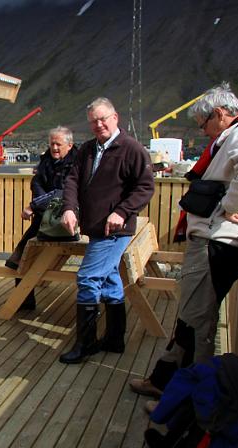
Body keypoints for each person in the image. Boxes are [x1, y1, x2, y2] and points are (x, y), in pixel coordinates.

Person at [130, 83, 238, 401]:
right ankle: (166, 380)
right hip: (213, 240)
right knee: (191, 315)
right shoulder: (234, 136)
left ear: (219, 114)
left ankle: (189, 397)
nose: (203, 131)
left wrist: (231, 205)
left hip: (214, 242)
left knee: (196, 321)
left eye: (203, 124)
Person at [59, 97, 155, 364]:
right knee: (110, 279)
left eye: (102, 119)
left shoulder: (132, 149)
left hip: (115, 229)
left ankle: (86, 343)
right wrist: (69, 208)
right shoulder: (87, 149)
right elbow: (72, 180)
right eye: (93, 121)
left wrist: (122, 211)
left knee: (87, 279)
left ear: (115, 118)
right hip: (94, 226)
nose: (98, 124)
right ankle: (114, 339)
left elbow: (145, 187)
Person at [5, 126, 78, 310]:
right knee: (21, 258)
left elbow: (63, 192)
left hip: (66, 218)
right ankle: (24, 301)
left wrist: (34, 205)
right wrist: (40, 203)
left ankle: (22, 301)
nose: (54, 148)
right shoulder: (46, 160)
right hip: (44, 217)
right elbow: (36, 182)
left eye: (58, 144)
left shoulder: (76, 163)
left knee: (25, 253)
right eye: (52, 144)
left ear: (69, 145)